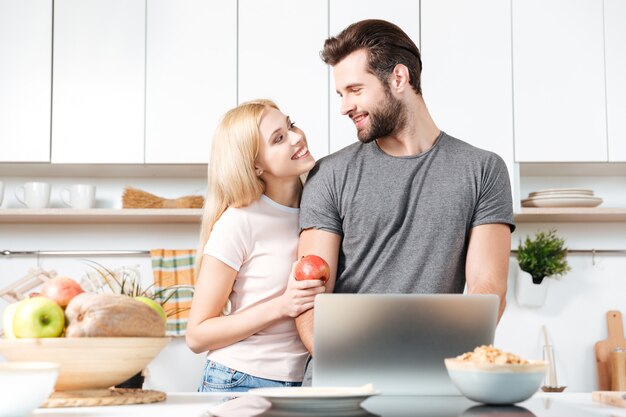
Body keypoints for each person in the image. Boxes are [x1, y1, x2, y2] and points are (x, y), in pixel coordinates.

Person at [295, 19, 516, 384]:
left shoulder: (483, 170)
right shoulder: (329, 175)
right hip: (341, 380)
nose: (345, 106)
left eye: (355, 90)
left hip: (434, 377)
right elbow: (308, 298)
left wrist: (429, 371)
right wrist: (355, 370)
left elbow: (487, 290)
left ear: (399, 78)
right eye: (341, 94)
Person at [186, 99, 326, 392]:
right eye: (279, 139)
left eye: (290, 124)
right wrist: (282, 306)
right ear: (256, 165)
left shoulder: (321, 208)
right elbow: (197, 335)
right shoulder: (239, 222)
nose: (297, 137)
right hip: (240, 381)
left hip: (306, 381)